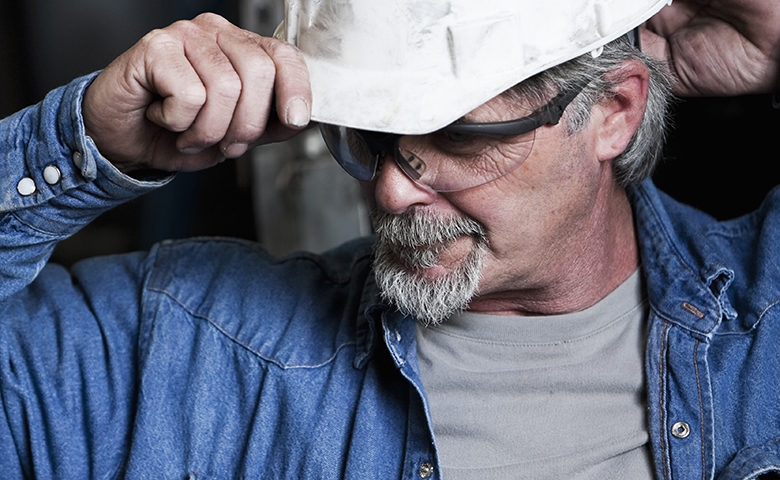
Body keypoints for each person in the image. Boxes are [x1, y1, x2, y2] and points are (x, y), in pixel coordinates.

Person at [0, 0, 778, 478]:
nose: (390, 188)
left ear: (615, 110)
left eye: (460, 137)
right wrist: (81, 147)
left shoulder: (764, 320)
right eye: (369, 136)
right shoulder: (190, 349)